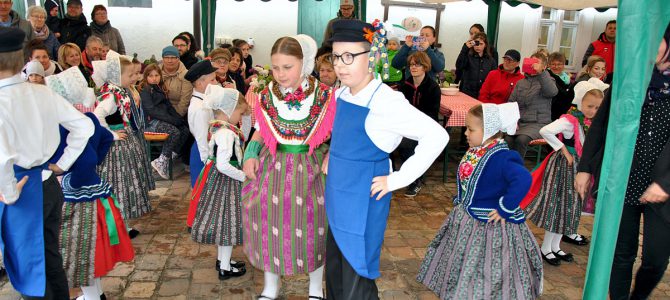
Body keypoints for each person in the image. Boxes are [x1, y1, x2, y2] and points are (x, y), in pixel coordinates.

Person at [325, 20, 448, 299]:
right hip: (338, 194)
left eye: (349, 57)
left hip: (364, 198)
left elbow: (437, 136)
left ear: (372, 56)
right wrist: (333, 156)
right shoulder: (342, 92)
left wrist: (399, 179)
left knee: (357, 271)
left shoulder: (386, 102)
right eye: (335, 56)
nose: (340, 65)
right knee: (336, 268)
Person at [574, 25, 670, 299]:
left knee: (656, 258)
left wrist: (665, 182)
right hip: (624, 178)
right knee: (621, 253)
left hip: (663, 186)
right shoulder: (629, 77)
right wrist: (584, 168)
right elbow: (601, 124)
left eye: (657, 39)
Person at [0, 27, 93, 300]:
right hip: (48, 184)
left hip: (21, 188)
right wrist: (62, 164)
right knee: (49, 254)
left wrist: (10, 192)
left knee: (29, 265)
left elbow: (3, 157)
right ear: (22, 61)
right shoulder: (43, 92)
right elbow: (84, 127)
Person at [241, 34, 334, 300]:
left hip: (312, 168)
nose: (280, 74)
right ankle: (271, 286)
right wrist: (250, 152)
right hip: (274, 168)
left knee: (315, 227)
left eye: (287, 67)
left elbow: (340, 131)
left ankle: (315, 287)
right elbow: (260, 130)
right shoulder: (266, 94)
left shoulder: (326, 95)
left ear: (304, 64)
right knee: (268, 224)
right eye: (275, 67)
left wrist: (333, 155)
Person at [417, 103, 542, 299]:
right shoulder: (478, 150)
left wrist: (504, 208)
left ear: (489, 131)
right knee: (463, 258)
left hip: (489, 224)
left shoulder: (502, 157)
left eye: (471, 129)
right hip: (468, 216)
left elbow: (523, 179)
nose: (466, 133)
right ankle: (462, 290)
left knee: (486, 264)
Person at [45, 66, 134, 300]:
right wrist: (94, 162)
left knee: (80, 251)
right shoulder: (91, 118)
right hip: (92, 191)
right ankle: (96, 294)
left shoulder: (67, 125)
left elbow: (84, 158)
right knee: (92, 250)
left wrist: (70, 177)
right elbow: (104, 140)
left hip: (78, 196)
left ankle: (93, 297)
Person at [520, 78, 608, 266]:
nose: (593, 111)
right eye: (590, 106)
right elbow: (546, 130)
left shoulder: (587, 122)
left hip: (578, 168)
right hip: (564, 169)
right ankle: (546, 248)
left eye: (597, 107)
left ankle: (556, 246)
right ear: (579, 101)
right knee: (559, 208)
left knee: (569, 209)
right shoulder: (570, 120)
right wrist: (563, 149)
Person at [190, 85, 250, 280]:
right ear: (229, 111)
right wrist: (244, 177)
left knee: (226, 224)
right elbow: (223, 165)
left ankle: (223, 261)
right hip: (227, 184)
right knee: (228, 225)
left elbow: (213, 156)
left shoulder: (219, 127)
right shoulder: (226, 133)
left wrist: (247, 115)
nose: (240, 117)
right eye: (239, 113)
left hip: (220, 183)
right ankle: (225, 267)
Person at [93, 52, 154, 239]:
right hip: (117, 149)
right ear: (116, 76)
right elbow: (97, 115)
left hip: (124, 143)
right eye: (128, 76)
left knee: (124, 185)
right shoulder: (111, 95)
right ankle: (116, 227)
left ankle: (122, 225)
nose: (132, 79)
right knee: (119, 184)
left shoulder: (118, 91)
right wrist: (111, 134)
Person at [398, 51, 441, 197]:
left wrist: (417, 124)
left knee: (409, 145)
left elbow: (432, 113)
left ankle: (416, 180)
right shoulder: (405, 85)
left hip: (425, 126)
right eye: (411, 65)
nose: (413, 67)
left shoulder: (433, 87)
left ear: (425, 67)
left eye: (417, 65)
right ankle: (400, 174)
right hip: (407, 124)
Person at [504, 50, 558, 157]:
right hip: (520, 122)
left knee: (521, 139)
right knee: (507, 139)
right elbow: (511, 104)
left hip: (538, 123)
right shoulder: (521, 82)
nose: (533, 64)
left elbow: (552, 92)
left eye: (537, 63)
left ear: (544, 66)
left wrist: (541, 73)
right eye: (531, 61)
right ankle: (507, 167)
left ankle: (517, 169)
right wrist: (513, 122)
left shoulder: (549, 80)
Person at [140, 64, 189, 179]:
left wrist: (178, 119)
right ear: (146, 77)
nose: (154, 78)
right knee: (174, 131)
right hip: (151, 122)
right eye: (150, 75)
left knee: (185, 130)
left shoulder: (160, 88)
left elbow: (169, 107)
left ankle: (167, 157)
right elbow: (151, 110)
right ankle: (161, 161)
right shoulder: (145, 90)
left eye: (156, 75)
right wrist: (172, 121)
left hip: (162, 120)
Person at [185, 60, 218, 187]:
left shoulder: (203, 102)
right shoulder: (199, 108)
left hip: (205, 149)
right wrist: (208, 166)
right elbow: (202, 139)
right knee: (203, 191)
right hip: (202, 153)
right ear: (200, 83)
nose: (216, 83)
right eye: (213, 80)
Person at [455, 32, 497, 99]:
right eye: (476, 43)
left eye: (481, 44)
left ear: (485, 45)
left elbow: (494, 79)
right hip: (467, 94)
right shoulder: (468, 56)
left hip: (483, 95)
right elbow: (459, 66)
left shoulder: (491, 61)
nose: (478, 46)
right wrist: (465, 48)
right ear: (473, 44)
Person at [159, 45, 192, 116]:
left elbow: (185, 101)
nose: (169, 60)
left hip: (178, 113)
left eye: (173, 57)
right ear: (162, 59)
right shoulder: (156, 73)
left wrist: (175, 116)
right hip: (159, 111)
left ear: (178, 59)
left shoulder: (186, 75)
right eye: (166, 57)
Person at [547, 52, 576, 121]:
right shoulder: (547, 76)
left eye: (559, 64)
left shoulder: (567, 78)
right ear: (549, 65)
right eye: (553, 64)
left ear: (563, 65)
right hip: (550, 109)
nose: (556, 67)